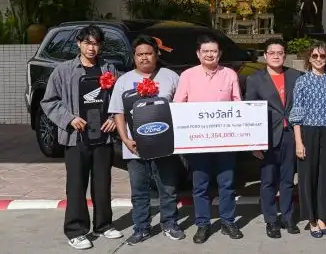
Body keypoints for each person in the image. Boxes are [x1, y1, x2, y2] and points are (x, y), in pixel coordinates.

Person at [40, 25, 124, 250]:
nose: (91, 48)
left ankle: (103, 225)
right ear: (78, 43)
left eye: (96, 43)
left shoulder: (109, 69)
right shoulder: (63, 71)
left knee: (102, 183)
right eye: (87, 43)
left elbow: (121, 97)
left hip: (103, 137)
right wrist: (69, 118)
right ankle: (76, 231)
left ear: (100, 46)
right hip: (75, 138)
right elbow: (49, 101)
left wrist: (113, 118)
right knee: (76, 185)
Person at [108, 35, 184, 245]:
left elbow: (182, 107)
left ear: (156, 54)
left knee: (168, 188)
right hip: (135, 147)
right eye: (140, 54)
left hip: (165, 145)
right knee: (139, 190)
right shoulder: (124, 81)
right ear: (134, 57)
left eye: (148, 53)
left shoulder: (171, 77)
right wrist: (125, 139)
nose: (144, 58)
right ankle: (141, 228)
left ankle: (170, 223)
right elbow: (118, 112)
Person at [173, 34, 243, 244]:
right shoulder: (187, 76)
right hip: (199, 141)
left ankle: (228, 222)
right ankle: (203, 224)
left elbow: (238, 104)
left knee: (227, 184)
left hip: (225, 140)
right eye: (206, 51)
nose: (210, 54)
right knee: (200, 185)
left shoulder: (229, 74)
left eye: (214, 51)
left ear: (219, 54)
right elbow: (178, 105)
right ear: (198, 54)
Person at [245, 37, 303, 238]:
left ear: (285, 55)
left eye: (280, 53)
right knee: (268, 181)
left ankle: (288, 216)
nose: (276, 56)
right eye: (272, 53)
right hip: (267, 136)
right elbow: (250, 111)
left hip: (291, 135)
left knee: (287, 180)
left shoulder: (296, 76)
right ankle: (271, 220)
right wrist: (254, 143)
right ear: (265, 56)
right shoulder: (255, 79)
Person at [288, 41, 326, 238]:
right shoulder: (302, 81)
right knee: (308, 177)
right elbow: (296, 113)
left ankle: (323, 218)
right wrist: (299, 142)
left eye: (322, 56)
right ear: (309, 58)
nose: (319, 59)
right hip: (308, 132)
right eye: (315, 56)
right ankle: (312, 219)